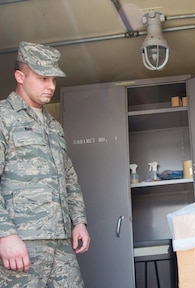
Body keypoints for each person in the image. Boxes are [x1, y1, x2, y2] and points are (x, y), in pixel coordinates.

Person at [0, 41, 91, 287]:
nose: (51, 86)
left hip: (60, 243)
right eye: (42, 78)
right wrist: (5, 235)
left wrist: (79, 221)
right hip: (21, 243)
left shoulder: (53, 126)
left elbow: (68, 176)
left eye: (53, 79)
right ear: (20, 76)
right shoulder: (4, 118)